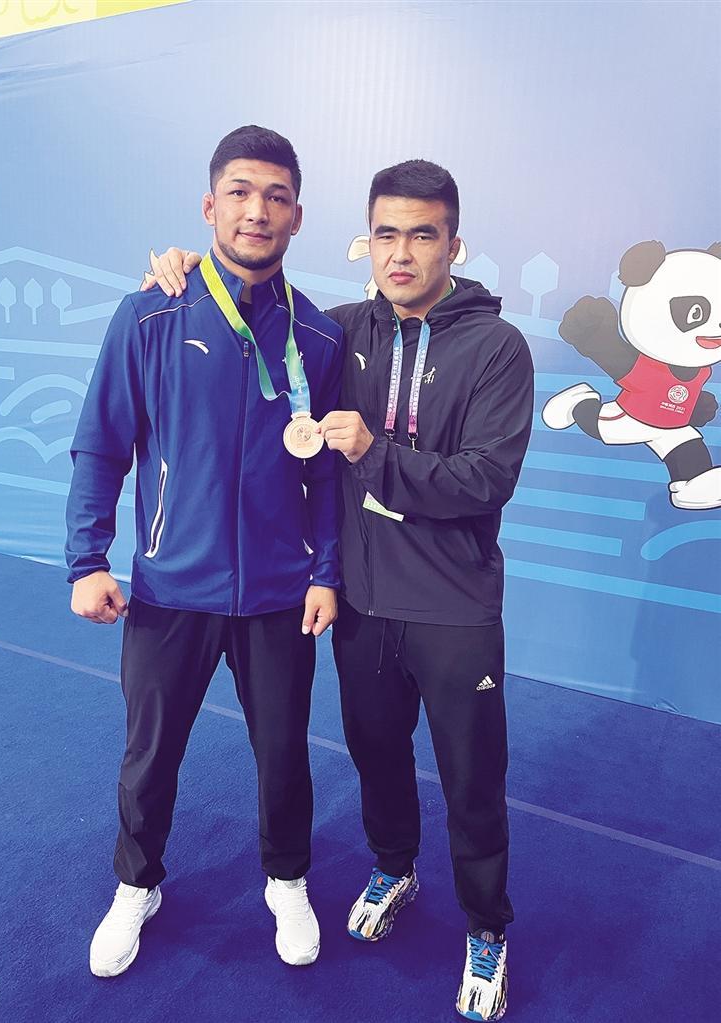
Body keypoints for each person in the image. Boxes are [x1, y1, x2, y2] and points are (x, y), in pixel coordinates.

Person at [145, 159, 534, 1022]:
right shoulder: (340, 332)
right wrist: (183, 270)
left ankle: (486, 925)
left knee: (472, 777)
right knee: (376, 754)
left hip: (454, 607)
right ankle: (395, 868)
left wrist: (372, 453)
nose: (401, 253)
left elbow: (485, 479)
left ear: (453, 245)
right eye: (386, 233)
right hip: (361, 601)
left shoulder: (496, 347)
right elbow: (252, 308)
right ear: (367, 240)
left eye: (422, 235)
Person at [65, 125, 343, 978]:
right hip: (169, 587)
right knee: (148, 756)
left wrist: (326, 570)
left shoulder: (319, 338)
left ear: (297, 216)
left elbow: (329, 472)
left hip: (278, 592)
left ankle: (286, 880)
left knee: (283, 754)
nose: (257, 210)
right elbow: (102, 442)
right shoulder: (150, 312)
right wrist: (87, 559)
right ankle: (136, 884)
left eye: (276, 196)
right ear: (209, 205)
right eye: (240, 192)